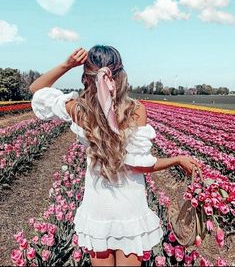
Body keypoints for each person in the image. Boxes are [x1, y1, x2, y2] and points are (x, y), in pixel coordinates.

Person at [30, 45, 201, 267]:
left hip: (97, 205)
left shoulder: (79, 109)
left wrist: (67, 64)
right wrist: (177, 159)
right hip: (129, 206)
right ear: (120, 75)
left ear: (86, 76)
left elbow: (37, 89)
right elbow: (140, 166)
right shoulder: (135, 110)